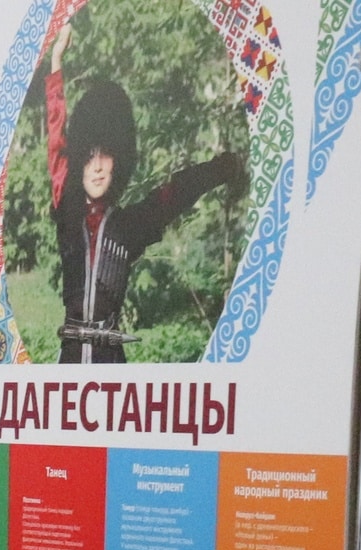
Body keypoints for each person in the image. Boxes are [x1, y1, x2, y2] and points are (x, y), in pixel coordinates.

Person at [43, 32, 246, 364]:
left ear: (119, 160)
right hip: (70, 357)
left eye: (106, 156)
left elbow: (179, 191)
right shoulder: (68, 209)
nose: (97, 167)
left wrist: (225, 167)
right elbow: (56, 137)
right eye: (89, 158)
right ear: (78, 162)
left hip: (111, 359)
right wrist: (56, 61)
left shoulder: (131, 225)